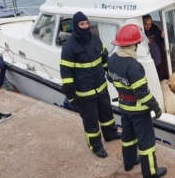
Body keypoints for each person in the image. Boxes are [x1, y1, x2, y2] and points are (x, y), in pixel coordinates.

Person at [107, 24, 167, 178]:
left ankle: (129, 162)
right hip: (139, 111)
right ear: (133, 45)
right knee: (146, 142)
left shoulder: (112, 59)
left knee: (127, 136)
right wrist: (155, 106)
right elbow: (142, 93)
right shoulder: (134, 66)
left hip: (124, 107)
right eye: (137, 43)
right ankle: (150, 172)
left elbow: (111, 79)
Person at [60, 11, 121, 158]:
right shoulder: (69, 47)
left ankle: (111, 134)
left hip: (101, 88)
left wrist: (110, 74)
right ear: (76, 26)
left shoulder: (96, 40)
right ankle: (95, 146)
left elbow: (104, 58)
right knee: (91, 121)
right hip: (85, 93)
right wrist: (71, 95)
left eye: (87, 23)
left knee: (107, 114)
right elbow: (66, 73)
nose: (85, 26)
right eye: (82, 24)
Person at [143, 14, 165, 81]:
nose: (148, 26)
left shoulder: (154, 28)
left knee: (159, 75)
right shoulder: (141, 32)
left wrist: (162, 36)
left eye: (150, 24)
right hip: (148, 58)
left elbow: (161, 40)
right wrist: (145, 41)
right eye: (146, 24)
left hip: (157, 56)